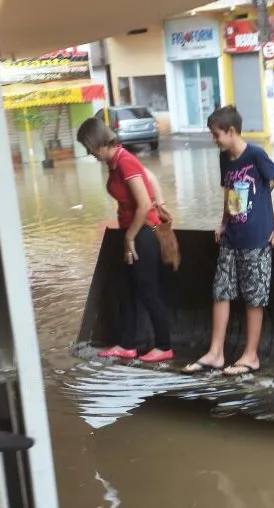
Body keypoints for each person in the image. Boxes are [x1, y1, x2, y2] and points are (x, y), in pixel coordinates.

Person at [183, 105, 274, 377]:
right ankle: (216, 352)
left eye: (216, 134)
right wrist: (222, 223)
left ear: (231, 131)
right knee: (221, 290)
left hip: (256, 239)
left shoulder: (255, 154)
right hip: (232, 237)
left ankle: (251, 356)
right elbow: (230, 192)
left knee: (254, 297)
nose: (214, 140)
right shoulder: (225, 158)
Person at [76, 117, 173, 363]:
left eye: (89, 148)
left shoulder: (124, 162)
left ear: (98, 143)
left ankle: (164, 346)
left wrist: (130, 237)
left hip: (143, 233)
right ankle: (127, 345)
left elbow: (142, 204)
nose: (89, 154)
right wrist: (159, 204)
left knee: (148, 291)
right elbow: (149, 176)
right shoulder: (116, 161)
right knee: (126, 291)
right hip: (132, 232)